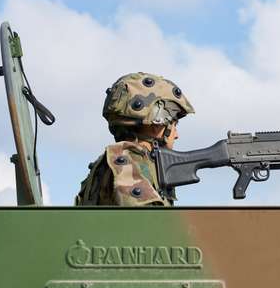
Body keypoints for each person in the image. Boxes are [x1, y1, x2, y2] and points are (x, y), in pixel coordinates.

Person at [75, 72, 194, 206]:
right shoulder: (127, 160)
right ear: (158, 125)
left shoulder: (119, 159)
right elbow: (147, 223)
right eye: (174, 125)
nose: (176, 134)